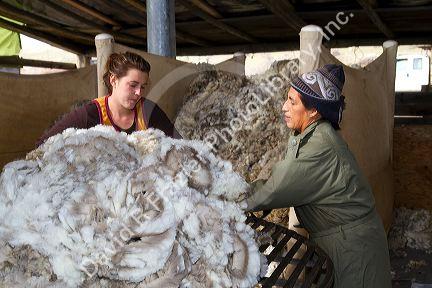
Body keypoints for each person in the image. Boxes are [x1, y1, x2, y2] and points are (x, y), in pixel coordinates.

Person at [246, 64, 391, 287]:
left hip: (354, 249)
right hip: (342, 241)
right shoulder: (309, 134)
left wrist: (229, 197)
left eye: (292, 102)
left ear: (313, 110)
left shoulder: (320, 147)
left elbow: (275, 189)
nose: (284, 107)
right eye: (287, 99)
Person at [36, 51, 180, 147]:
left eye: (143, 87)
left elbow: (181, 145)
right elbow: (43, 144)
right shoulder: (91, 114)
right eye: (133, 85)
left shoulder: (149, 111)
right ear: (114, 80)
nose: (138, 93)